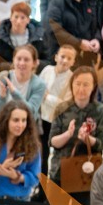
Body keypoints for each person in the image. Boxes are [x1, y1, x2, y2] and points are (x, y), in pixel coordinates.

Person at [28, 67, 103, 205]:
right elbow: (52, 141)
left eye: (86, 84)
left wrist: (87, 139)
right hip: (59, 173)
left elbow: (102, 144)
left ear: (93, 88)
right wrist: (69, 134)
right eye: (77, 84)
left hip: (85, 177)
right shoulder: (63, 108)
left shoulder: (101, 111)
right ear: (72, 85)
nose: (81, 89)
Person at [45, 0, 100, 69]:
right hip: (64, 60)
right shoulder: (58, 1)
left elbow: (96, 25)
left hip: (86, 59)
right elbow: (53, 30)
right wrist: (78, 43)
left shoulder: (91, 0)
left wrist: (97, 39)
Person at [39, 44, 78, 177]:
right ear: (56, 57)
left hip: (57, 122)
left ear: (73, 62)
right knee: (41, 154)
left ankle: (54, 183)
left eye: (69, 58)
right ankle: (41, 186)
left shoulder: (72, 79)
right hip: (40, 118)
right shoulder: (47, 70)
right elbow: (37, 89)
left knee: (56, 155)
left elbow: (65, 104)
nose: (65, 60)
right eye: (62, 56)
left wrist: (47, 97)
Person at [0, 2, 47, 80]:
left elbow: (48, 62)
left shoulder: (39, 37)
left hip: (30, 81)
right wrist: (10, 66)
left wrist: (32, 65)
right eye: (16, 17)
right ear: (11, 17)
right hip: (3, 80)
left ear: (28, 20)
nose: (18, 21)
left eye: (22, 17)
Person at [0, 45, 46, 123]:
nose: (22, 63)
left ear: (34, 63)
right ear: (13, 60)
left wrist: (14, 92)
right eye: (19, 59)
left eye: (26, 60)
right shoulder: (4, 76)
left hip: (26, 127)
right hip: (4, 124)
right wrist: (2, 97)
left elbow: (30, 112)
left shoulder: (40, 84)